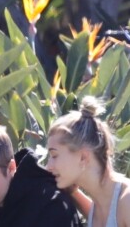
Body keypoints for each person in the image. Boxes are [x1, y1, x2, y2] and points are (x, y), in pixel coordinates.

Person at [47, 95, 130, 227]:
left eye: (54, 155)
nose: (48, 166)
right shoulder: (98, 207)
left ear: (83, 157)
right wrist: (74, 192)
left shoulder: (127, 201)